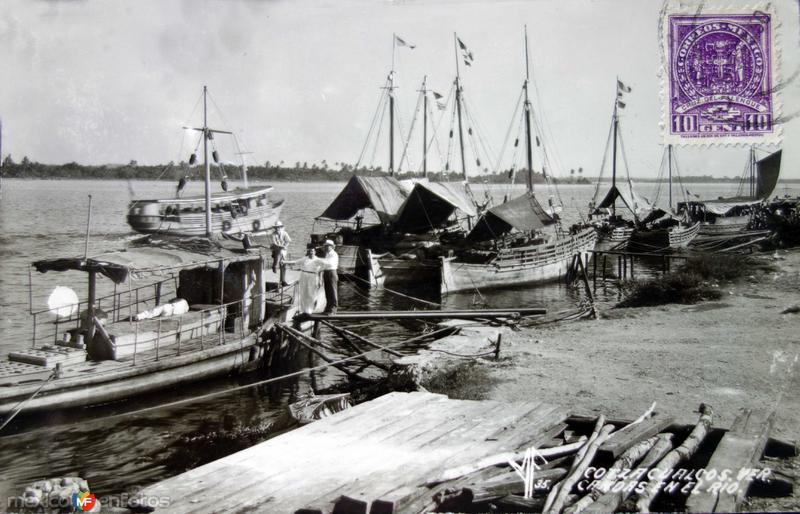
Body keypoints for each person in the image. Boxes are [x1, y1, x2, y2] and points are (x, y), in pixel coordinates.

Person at [270, 221, 291, 286]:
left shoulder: (284, 233)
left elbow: (288, 241)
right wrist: (280, 246)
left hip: (283, 251)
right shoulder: (273, 234)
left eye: (278, 227)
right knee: (277, 263)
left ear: (281, 227)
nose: (277, 228)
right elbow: (274, 243)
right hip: (276, 250)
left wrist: (285, 245)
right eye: (276, 227)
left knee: (283, 265)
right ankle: (274, 266)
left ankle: (283, 280)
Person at [321, 239, 339, 314]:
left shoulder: (333, 254)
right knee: (327, 291)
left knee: (332, 291)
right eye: (325, 246)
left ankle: (334, 309)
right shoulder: (327, 254)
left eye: (327, 246)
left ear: (332, 247)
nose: (326, 247)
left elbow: (329, 263)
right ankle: (328, 307)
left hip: (332, 272)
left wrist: (320, 261)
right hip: (326, 272)